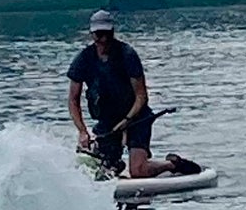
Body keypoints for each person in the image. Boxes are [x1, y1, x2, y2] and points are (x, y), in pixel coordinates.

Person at [67, 9, 178, 179]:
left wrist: (127, 121)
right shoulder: (83, 59)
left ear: (112, 32)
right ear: (92, 34)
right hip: (107, 123)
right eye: (98, 34)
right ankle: (115, 163)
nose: (103, 39)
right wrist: (82, 131)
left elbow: (141, 96)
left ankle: (172, 164)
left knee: (138, 171)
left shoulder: (127, 55)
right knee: (99, 168)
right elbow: (73, 100)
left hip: (137, 117)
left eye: (106, 34)